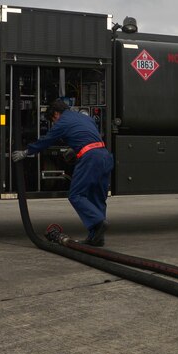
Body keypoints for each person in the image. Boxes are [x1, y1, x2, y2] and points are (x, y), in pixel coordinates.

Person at [12, 99, 114, 246]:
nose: (53, 123)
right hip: (104, 155)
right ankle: (97, 237)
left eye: (52, 120)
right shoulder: (85, 117)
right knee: (97, 196)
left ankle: (98, 222)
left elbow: (46, 141)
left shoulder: (62, 122)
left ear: (56, 114)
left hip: (90, 158)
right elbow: (89, 135)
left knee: (76, 195)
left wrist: (26, 152)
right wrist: (75, 149)